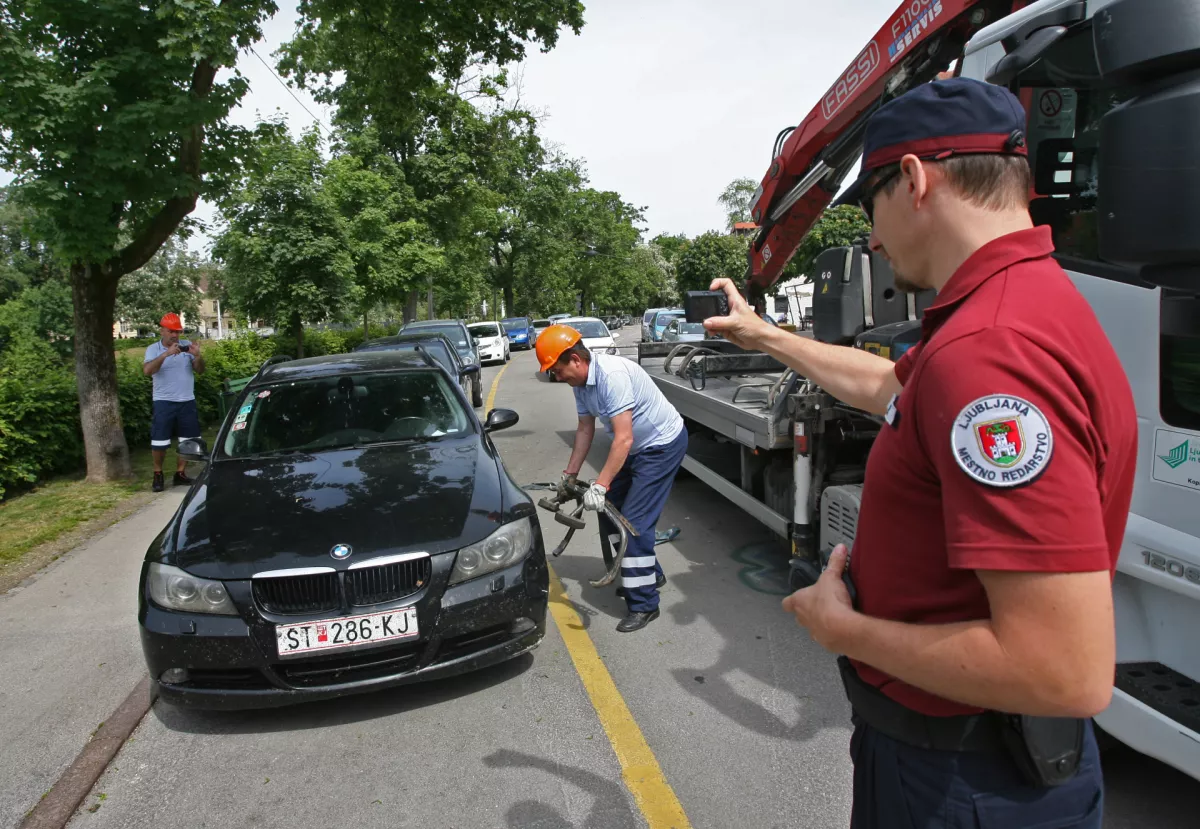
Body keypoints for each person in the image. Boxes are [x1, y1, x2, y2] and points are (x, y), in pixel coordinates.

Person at [705, 78, 1137, 828]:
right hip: (993, 766)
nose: (872, 237)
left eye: (871, 206)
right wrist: (767, 337)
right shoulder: (1021, 303)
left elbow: (1062, 669)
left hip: (960, 781)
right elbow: (891, 387)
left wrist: (845, 632)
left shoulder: (987, 351)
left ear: (913, 179)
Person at [536, 324, 687, 632]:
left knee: (633, 523)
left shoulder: (611, 377)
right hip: (635, 449)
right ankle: (647, 573)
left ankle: (644, 603)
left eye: (558, 369)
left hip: (660, 447)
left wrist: (600, 485)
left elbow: (623, 439)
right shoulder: (580, 385)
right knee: (609, 513)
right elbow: (584, 429)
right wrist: (569, 476)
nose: (556, 377)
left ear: (576, 360)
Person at [143, 312, 206, 492]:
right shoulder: (153, 349)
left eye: (177, 332)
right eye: (171, 331)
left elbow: (200, 370)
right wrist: (166, 355)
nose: (175, 335)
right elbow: (147, 371)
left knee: (188, 441)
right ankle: (158, 473)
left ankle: (180, 473)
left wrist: (198, 356)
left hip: (187, 400)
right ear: (162, 330)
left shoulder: (186, 346)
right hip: (164, 401)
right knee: (160, 442)